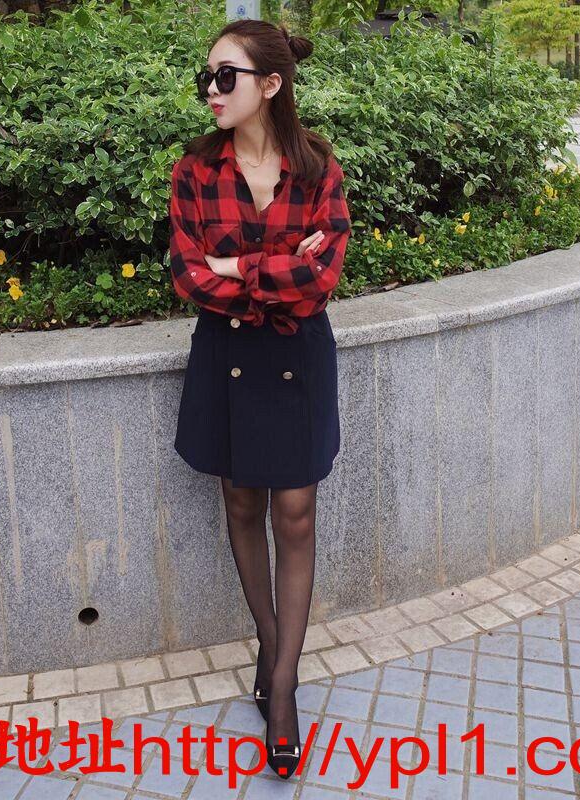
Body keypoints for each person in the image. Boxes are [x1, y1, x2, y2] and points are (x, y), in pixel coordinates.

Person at [168, 17, 351, 780]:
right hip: (229, 356)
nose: (211, 91)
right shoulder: (193, 171)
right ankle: (276, 652)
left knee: (295, 513)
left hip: (296, 357)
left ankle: (282, 688)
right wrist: (277, 268)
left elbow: (322, 280)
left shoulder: (319, 170)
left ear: (270, 84)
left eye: (226, 77)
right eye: (206, 78)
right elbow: (187, 276)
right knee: (242, 502)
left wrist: (238, 269)